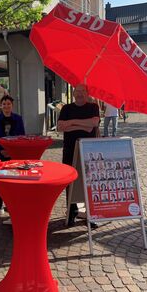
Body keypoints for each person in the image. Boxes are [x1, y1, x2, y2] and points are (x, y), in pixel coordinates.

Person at [57, 84, 100, 227]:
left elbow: (94, 123)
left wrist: (71, 123)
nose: (80, 93)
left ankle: (91, 213)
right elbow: (60, 127)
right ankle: (71, 211)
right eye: (78, 91)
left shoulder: (93, 107)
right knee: (70, 182)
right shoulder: (66, 108)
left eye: (83, 91)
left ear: (87, 93)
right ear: (73, 93)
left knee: (89, 182)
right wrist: (83, 126)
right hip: (69, 150)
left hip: (89, 151)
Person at [0, 95, 25, 220]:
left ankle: (13, 208)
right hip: (0, 154)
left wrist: (12, 151)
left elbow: (21, 136)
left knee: (14, 181)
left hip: (14, 155)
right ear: (1, 106)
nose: (6, 106)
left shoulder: (18, 119)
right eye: (4, 104)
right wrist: (1, 150)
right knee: (0, 180)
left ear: (12, 105)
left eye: (8, 104)